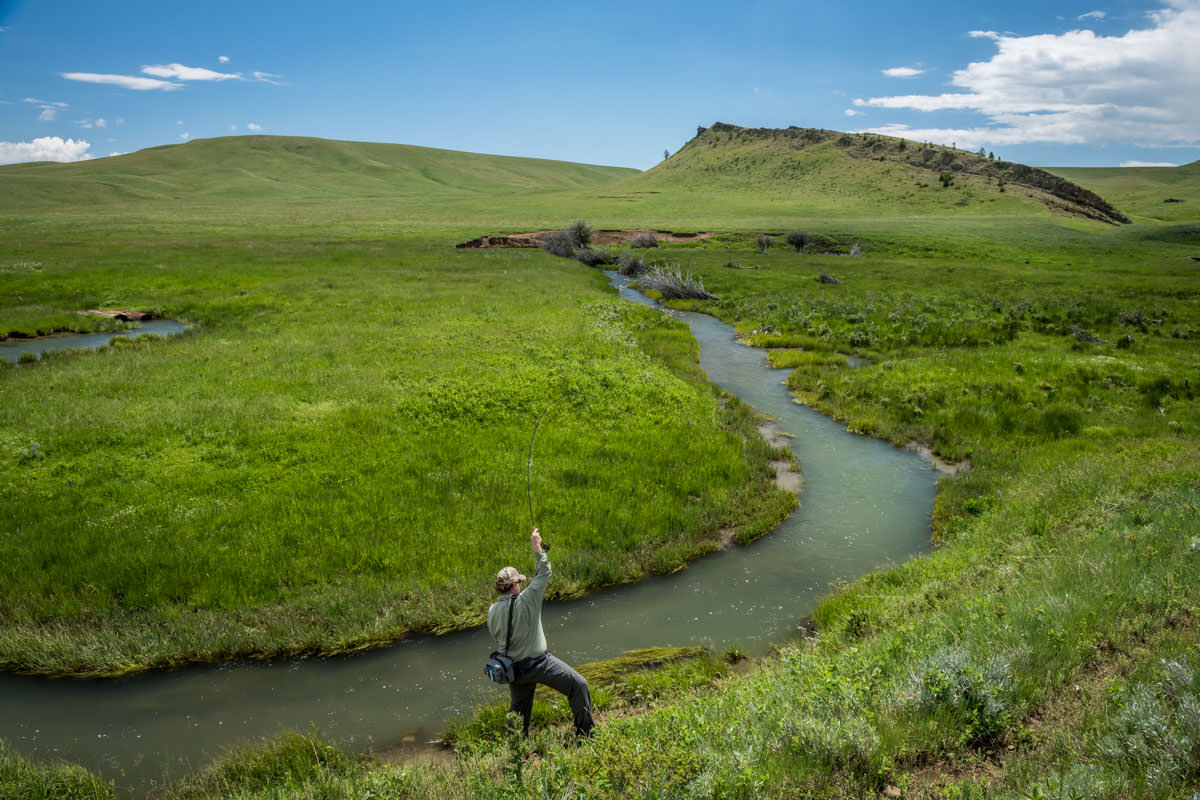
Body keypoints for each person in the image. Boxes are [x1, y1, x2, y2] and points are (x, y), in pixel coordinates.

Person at [488, 526, 594, 737]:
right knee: (579, 685)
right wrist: (537, 548)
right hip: (539, 664)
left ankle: (515, 749)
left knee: (518, 713)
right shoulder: (526, 601)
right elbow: (544, 573)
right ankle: (586, 736)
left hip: (513, 670)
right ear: (516, 585)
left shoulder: (492, 611)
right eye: (519, 581)